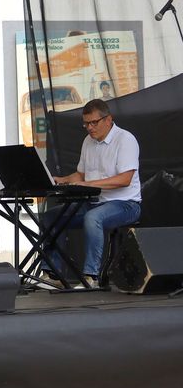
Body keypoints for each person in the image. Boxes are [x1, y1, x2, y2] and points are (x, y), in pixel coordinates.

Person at [46, 99, 141, 287]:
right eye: (86, 123)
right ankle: (52, 273)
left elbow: (125, 179)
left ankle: (91, 277)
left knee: (93, 217)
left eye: (94, 122)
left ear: (108, 120)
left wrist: (87, 184)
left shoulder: (125, 139)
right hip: (95, 202)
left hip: (126, 204)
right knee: (51, 217)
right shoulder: (88, 142)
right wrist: (62, 179)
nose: (89, 127)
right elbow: (81, 174)